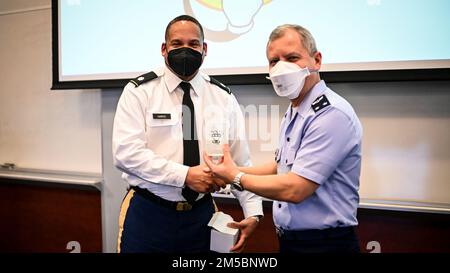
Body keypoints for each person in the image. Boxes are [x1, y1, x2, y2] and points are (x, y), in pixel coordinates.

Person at [204, 24, 363, 253]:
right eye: (274, 61)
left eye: (292, 58)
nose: (281, 68)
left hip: (326, 244)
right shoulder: (295, 110)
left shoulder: (330, 114)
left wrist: (235, 176)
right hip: (292, 241)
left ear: (316, 60)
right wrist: (229, 171)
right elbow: (280, 168)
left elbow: (295, 189)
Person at [112, 15, 263, 253]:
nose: (185, 50)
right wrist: (185, 176)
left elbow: (240, 161)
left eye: (193, 44)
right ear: (164, 49)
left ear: (204, 49)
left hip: (201, 218)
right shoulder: (139, 91)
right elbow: (126, 154)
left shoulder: (223, 97)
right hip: (148, 215)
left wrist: (253, 211)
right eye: (176, 44)